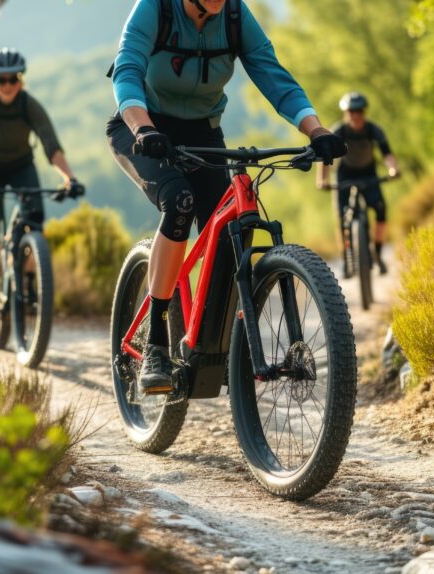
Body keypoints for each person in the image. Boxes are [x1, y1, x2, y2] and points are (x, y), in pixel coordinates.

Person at [107, 0, 347, 394]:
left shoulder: (235, 16)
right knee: (179, 202)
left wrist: (316, 130)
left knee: (230, 226)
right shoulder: (156, 8)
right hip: (141, 127)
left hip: (202, 133)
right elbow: (128, 68)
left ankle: (215, 344)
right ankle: (156, 341)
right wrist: (143, 128)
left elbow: (272, 75)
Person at [0, 48, 84, 335]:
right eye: (1, 80)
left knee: (34, 220)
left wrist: (69, 179)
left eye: (13, 79)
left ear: (21, 79)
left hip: (21, 165)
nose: (8, 85)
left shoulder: (28, 105)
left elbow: (51, 146)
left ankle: (27, 284)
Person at [316, 91, 399, 275]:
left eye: (359, 111)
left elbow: (387, 153)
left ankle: (376, 254)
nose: (355, 115)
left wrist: (393, 169)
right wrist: (322, 180)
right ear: (346, 113)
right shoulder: (339, 130)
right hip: (344, 175)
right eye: (351, 111)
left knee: (380, 210)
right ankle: (347, 257)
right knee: (342, 218)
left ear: (364, 112)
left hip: (368, 173)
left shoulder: (373, 129)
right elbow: (325, 158)